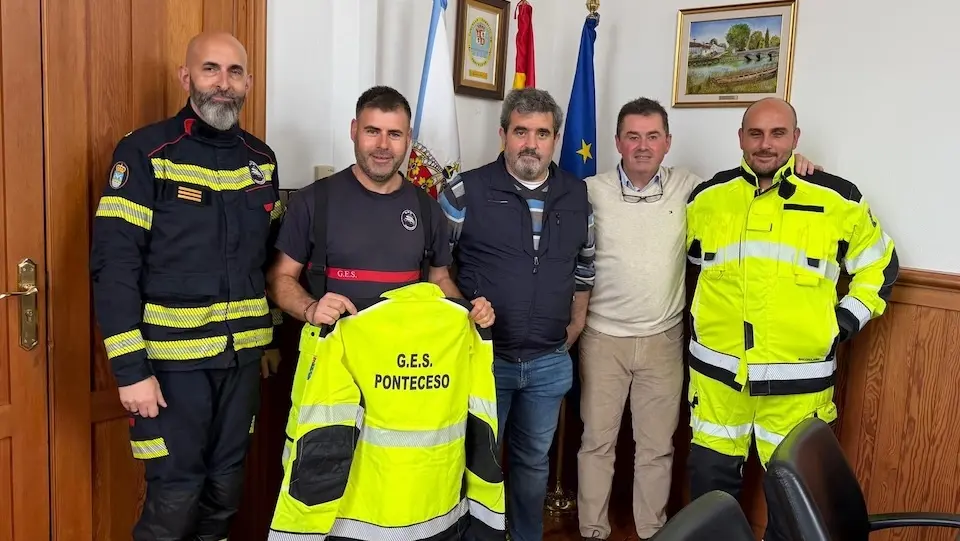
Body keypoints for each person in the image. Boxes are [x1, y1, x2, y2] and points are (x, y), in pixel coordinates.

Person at [575, 97, 819, 541]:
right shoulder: (589, 191)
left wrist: (794, 165)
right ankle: (592, 531)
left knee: (657, 448)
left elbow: (750, 182)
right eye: (632, 137)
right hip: (602, 337)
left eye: (653, 137)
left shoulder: (694, 191)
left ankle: (652, 532)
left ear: (668, 143)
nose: (643, 146)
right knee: (597, 443)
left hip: (664, 339)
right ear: (617, 143)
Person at [90, 31, 284, 540]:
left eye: (235, 72)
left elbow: (266, 263)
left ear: (248, 81)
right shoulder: (145, 152)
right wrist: (130, 372)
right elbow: (114, 269)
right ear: (186, 78)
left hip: (241, 366)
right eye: (210, 70)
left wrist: (264, 338)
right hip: (171, 371)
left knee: (224, 495)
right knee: (174, 500)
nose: (224, 84)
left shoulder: (260, 159)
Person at [685, 97, 899, 541]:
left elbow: (881, 267)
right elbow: (682, 265)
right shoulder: (707, 199)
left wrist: (841, 324)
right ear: (741, 138)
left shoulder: (836, 197)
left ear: (796, 138)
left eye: (778, 133)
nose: (766, 144)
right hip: (717, 382)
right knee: (708, 496)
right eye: (756, 133)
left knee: (792, 504)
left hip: (798, 385)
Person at [438, 87, 595, 541]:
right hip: (485, 360)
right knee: (474, 462)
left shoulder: (576, 193)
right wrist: (464, 309)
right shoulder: (466, 190)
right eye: (521, 132)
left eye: (542, 134)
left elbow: (586, 265)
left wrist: (578, 320)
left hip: (548, 360)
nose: (531, 143)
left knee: (532, 464)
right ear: (503, 134)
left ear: (556, 139)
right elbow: (435, 267)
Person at [265, 84, 494, 330]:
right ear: (354, 131)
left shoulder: (427, 209)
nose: (383, 145)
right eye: (373, 131)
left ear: (408, 139)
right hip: (334, 357)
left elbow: (439, 279)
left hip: (405, 359)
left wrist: (468, 311)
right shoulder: (312, 202)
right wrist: (310, 308)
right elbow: (279, 278)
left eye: (394, 134)